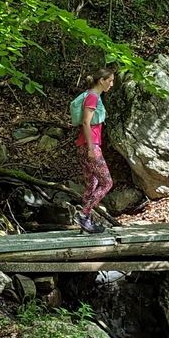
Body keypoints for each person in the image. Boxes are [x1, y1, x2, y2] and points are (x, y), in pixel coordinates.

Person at [74, 69, 117, 232]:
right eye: (110, 80)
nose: (112, 84)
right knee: (107, 182)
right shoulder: (92, 96)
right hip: (90, 146)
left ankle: (85, 224)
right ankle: (84, 215)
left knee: (91, 184)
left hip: (83, 145)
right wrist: (92, 148)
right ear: (102, 80)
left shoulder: (91, 95)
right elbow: (86, 122)